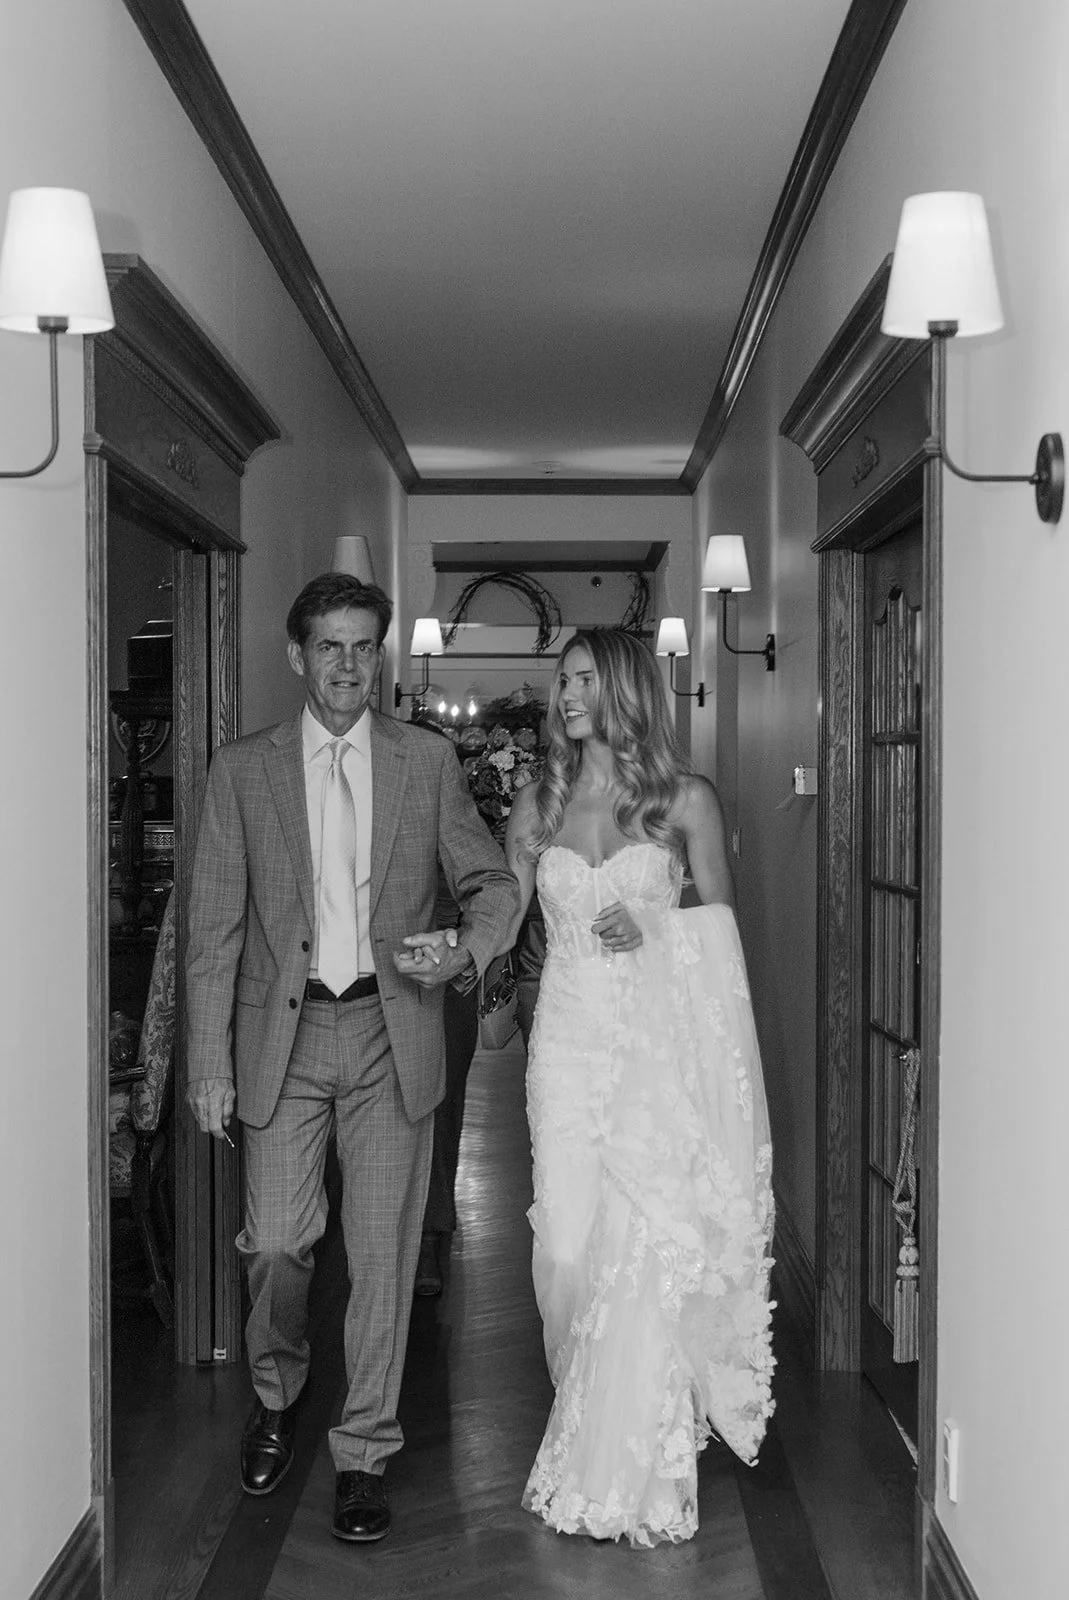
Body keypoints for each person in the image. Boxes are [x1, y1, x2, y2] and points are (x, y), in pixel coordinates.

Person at [184, 572, 518, 1545]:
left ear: (379, 655)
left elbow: (489, 882)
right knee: (279, 1242)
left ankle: (364, 1450)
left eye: (362, 646)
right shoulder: (241, 771)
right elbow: (211, 930)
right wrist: (209, 1059)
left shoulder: (426, 761)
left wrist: (461, 948)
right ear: (298, 656)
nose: (346, 665)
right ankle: (278, 1390)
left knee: (382, 1256)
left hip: (389, 1029)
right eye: (328, 646)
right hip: (278, 1041)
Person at [502, 627, 775, 1548]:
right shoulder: (538, 803)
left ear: (621, 686)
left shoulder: (682, 801)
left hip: (654, 1053)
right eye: (560, 678)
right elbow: (500, 918)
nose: (564, 692)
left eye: (581, 677)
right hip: (565, 1047)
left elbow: (723, 935)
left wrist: (656, 927)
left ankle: (631, 1455)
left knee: (644, 1244)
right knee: (568, 1251)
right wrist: (458, 954)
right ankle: (592, 1410)